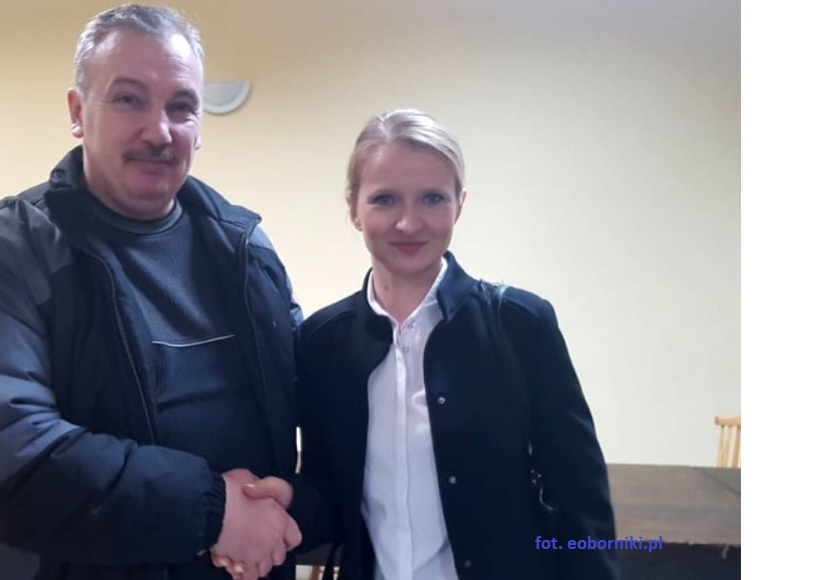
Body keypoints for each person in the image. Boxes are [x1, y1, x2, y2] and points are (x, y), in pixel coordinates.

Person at [0, 5, 303, 579]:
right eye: (128, 99)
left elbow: (311, 393)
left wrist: (298, 508)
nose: (159, 131)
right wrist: (214, 513)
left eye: (182, 106)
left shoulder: (247, 250)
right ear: (77, 111)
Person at [240, 109, 620, 579]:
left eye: (432, 198)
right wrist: (292, 500)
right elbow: (334, 495)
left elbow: (582, 503)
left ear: (459, 204)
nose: (408, 223)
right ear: (353, 208)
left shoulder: (520, 325)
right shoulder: (323, 343)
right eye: (385, 199)